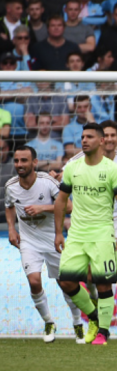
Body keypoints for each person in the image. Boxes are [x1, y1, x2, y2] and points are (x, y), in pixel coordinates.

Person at [54, 123, 117, 346]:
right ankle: (94, 318)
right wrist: (58, 232)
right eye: (82, 136)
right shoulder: (72, 167)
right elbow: (61, 200)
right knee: (66, 281)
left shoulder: (113, 169)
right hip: (76, 235)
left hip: (103, 234)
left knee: (104, 284)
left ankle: (103, 333)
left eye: (89, 137)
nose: (84, 140)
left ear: (100, 141)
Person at [5, 146, 82, 344]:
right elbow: (9, 206)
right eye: (16, 161)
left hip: (52, 239)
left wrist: (43, 207)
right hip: (29, 242)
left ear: (34, 163)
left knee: (66, 284)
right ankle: (48, 322)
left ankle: (77, 323)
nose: (19, 165)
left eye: (24, 161)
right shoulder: (11, 185)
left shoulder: (47, 182)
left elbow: (70, 207)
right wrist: (12, 229)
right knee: (34, 282)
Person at [62, 95, 96, 159]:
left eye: (85, 107)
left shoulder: (99, 125)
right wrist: (93, 151)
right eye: (79, 107)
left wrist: (92, 123)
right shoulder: (68, 128)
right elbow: (70, 151)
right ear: (74, 108)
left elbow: (104, 146)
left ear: (90, 107)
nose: (82, 110)